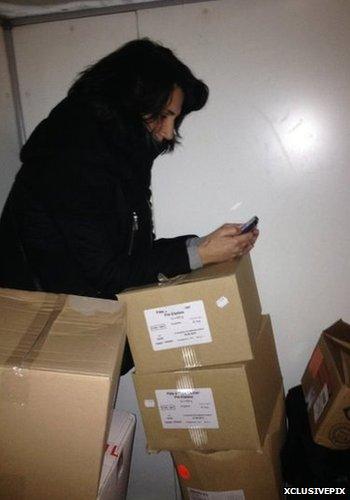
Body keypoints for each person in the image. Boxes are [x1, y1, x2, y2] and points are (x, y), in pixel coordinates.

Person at [0, 38, 259, 372]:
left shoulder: (121, 157)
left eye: (174, 120)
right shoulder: (71, 155)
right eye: (163, 116)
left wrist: (201, 246)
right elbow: (107, 271)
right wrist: (199, 255)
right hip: (40, 339)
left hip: (70, 327)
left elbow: (130, 254)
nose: (168, 133)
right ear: (128, 101)